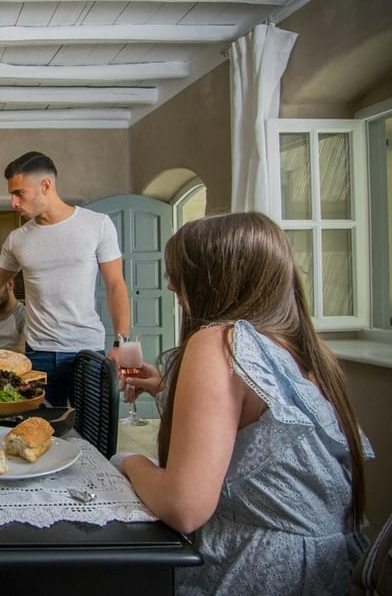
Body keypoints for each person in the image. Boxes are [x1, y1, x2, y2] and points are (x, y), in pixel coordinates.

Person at [115, 212, 371, 596]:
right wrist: (163, 388)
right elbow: (257, 436)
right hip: (325, 570)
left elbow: (184, 506)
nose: (170, 285)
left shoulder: (218, 340)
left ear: (216, 278)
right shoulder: (300, 351)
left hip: (257, 570)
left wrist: (126, 462)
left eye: (180, 273)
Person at [0, 151, 130, 406]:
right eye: (12, 194)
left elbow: (115, 286)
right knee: (39, 427)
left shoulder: (98, 225)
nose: (13, 202)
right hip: (38, 353)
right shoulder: (18, 238)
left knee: (91, 429)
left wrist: (120, 343)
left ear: (46, 186)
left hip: (86, 351)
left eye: (19, 193)